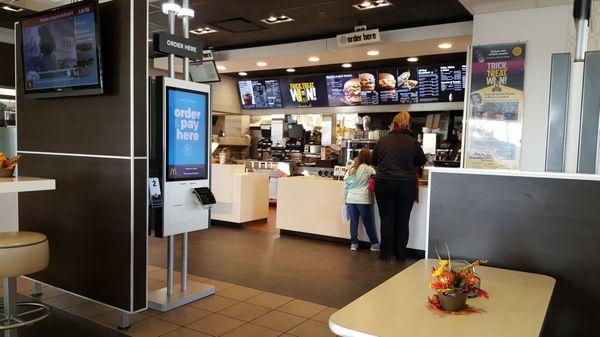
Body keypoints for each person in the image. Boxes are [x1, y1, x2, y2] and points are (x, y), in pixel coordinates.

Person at [372, 112, 427, 261]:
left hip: (383, 182)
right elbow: (422, 160)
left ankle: (385, 254)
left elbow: (374, 161)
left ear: (393, 124)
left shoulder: (382, 141)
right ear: (407, 125)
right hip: (406, 184)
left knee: (386, 218)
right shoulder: (412, 142)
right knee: (403, 219)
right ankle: (400, 254)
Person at [343, 148, 379, 252]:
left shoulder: (351, 169)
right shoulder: (370, 170)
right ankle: (374, 244)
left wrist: (346, 198)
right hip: (363, 199)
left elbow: (346, 185)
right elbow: (374, 184)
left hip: (351, 198)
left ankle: (354, 244)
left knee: (354, 222)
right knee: (368, 222)